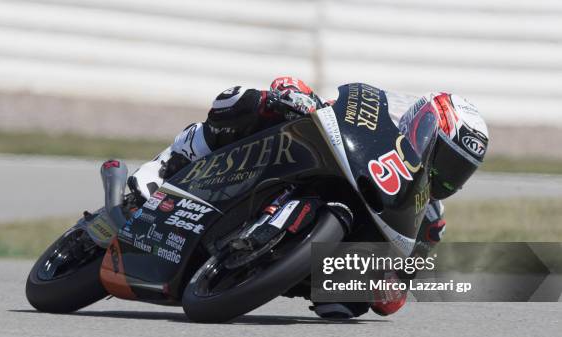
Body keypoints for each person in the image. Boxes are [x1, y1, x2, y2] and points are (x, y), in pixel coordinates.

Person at [128, 77, 489, 319]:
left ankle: (252, 261)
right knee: (249, 102)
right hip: (290, 159)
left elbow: (397, 295)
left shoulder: (428, 220)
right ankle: (165, 166)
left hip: (312, 271)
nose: (444, 177)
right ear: (422, 126)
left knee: (350, 305)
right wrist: (296, 96)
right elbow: (329, 107)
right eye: (444, 161)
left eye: (459, 172)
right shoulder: (381, 123)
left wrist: (385, 284)